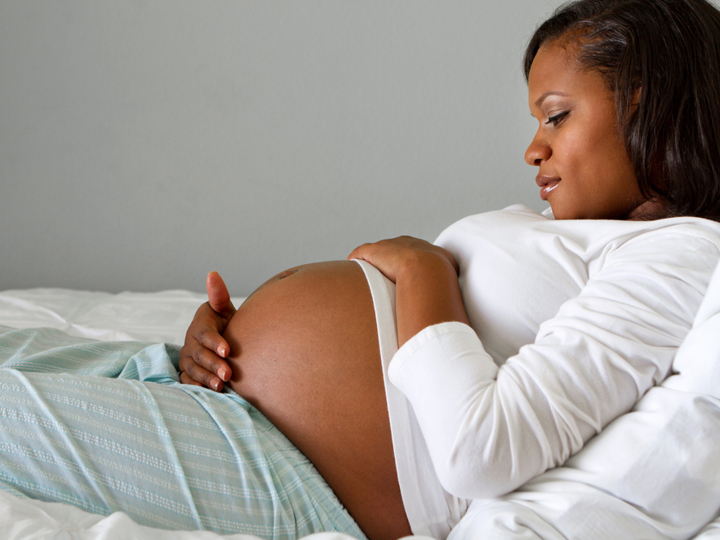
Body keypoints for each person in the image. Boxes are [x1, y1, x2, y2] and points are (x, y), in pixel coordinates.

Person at [1, 1, 719, 540]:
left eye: (556, 116)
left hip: (295, 466)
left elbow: (483, 451)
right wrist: (223, 339)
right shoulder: (587, 235)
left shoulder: (683, 253)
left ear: (649, 106)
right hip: (221, 391)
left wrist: (420, 269)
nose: (533, 149)